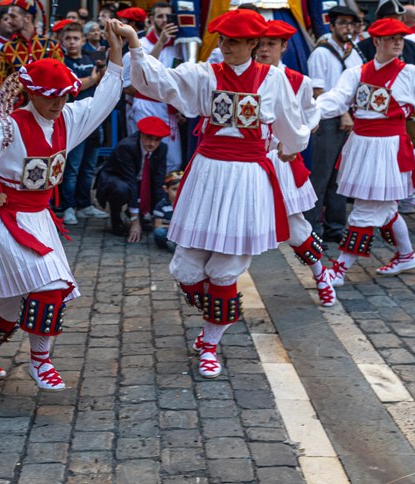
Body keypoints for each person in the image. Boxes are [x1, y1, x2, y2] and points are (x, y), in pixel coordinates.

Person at [117, 8, 310, 379]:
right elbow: (158, 82)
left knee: (225, 270)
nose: (225, 47)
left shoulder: (273, 79)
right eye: (222, 40)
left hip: (247, 178)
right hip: (207, 174)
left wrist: (291, 145)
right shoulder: (206, 73)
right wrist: (136, 43)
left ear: (253, 43)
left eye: (234, 42)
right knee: (185, 267)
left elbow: (291, 122)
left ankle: (209, 342)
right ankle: (219, 310)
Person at [0, 27, 123, 391]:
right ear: (32, 94)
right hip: (4, 218)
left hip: (38, 218)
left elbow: (103, 101)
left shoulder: (67, 120)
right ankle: (40, 361)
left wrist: (116, 56)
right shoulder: (8, 128)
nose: (58, 104)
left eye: (63, 96)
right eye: (50, 97)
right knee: (50, 284)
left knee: (9, 304)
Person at [316, 18, 415, 286]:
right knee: (386, 207)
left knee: (366, 211)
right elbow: (335, 99)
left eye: (400, 37)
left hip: (388, 148)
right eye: (391, 38)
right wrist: (310, 114)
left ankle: (340, 270)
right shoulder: (356, 72)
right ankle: (406, 254)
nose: (398, 42)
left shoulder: (409, 73)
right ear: (376, 41)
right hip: (362, 145)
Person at [257, 19, 335, 307]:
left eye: (272, 45)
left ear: (284, 47)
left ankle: (320, 273)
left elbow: (311, 114)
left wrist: (298, 136)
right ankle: (217, 291)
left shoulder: (299, 81)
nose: (265, 50)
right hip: (245, 161)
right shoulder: (245, 75)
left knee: (296, 227)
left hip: (280, 159)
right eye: (261, 44)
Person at [305, 5, 364, 243]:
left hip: (351, 120)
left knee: (341, 177)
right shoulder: (322, 52)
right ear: (332, 26)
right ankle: (311, 229)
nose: (347, 29)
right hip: (328, 120)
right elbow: (318, 90)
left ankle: (336, 227)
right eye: (342, 24)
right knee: (320, 175)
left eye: (351, 24)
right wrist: (343, 114)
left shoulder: (354, 52)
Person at [60, 21, 109, 225]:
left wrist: (101, 72)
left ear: (83, 40)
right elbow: (70, 86)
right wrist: (93, 79)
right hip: (73, 120)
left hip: (93, 119)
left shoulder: (91, 59)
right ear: (62, 41)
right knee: (72, 166)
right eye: (68, 39)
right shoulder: (62, 61)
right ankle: (68, 207)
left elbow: (104, 82)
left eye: (75, 38)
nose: (72, 43)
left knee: (89, 166)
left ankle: (85, 204)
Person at [127, 2, 182, 172]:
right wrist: (161, 43)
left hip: (170, 108)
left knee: (174, 161)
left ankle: (165, 196)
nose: (165, 20)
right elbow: (136, 81)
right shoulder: (139, 44)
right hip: (147, 106)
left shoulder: (179, 46)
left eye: (168, 16)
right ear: (151, 19)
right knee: (145, 157)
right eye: (160, 16)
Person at [96, 116, 169, 240]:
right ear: (141, 134)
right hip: (117, 179)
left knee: (156, 187)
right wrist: (135, 222)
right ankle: (116, 216)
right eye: (149, 138)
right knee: (122, 189)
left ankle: (142, 214)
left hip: (140, 180)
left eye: (157, 140)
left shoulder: (162, 149)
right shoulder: (126, 147)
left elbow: (159, 180)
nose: (152, 143)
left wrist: (158, 215)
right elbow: (130, 181)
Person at [0, 0, 63, 91]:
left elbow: (61, 80)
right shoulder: (5, 50)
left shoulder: (51, 46)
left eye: (13, 16)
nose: (9, 21)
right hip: (18, 104)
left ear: (27, 18)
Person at [358, 0, 415, 71]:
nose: (394, 26)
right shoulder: (362, 47)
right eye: (390, 21)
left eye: (397, 21)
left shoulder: (411, 46)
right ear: (379, 21)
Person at [153, 170, 180, 252]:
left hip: (181, 231)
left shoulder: (187, 205)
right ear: (166, 189)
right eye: (174, 189)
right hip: (168, 231)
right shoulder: (161, 205)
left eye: (181, 189)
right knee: (159, 232)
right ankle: (172, 244)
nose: (178, 193)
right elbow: (158, 225)